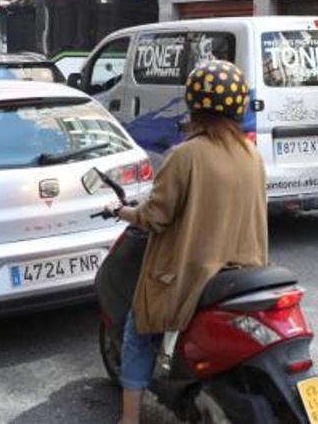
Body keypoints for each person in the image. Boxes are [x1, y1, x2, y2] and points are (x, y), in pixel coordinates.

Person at [105, 60, 268, 424]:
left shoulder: (185, 155)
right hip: (246, 275)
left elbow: (154, 216)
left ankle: (129, 420)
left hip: (193, 278)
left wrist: (122, 212)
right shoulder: (252, 155)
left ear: (194, 107)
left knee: (137, 329)